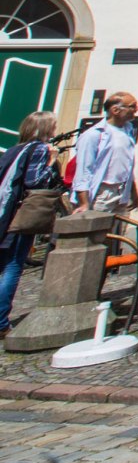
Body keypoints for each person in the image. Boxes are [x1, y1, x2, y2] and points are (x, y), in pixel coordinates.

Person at [0, 112, 63, 334]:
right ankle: (0, 322)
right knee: (13, 265)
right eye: (53, 126)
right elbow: (35, 181)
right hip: (21, 216)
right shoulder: (39, 150)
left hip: (5, 213)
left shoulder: (14, 149)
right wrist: (52, 161)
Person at [73, 91, 138, 213]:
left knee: (116, 231)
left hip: (122, 191)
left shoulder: (128, 130)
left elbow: (127, 166)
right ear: (115, 110)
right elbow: (84, 170)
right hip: (102, 193)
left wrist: (133, 192)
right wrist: (84, 203)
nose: (137, 109)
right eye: (132, 106)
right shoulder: (93, 135)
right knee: (97, 230)